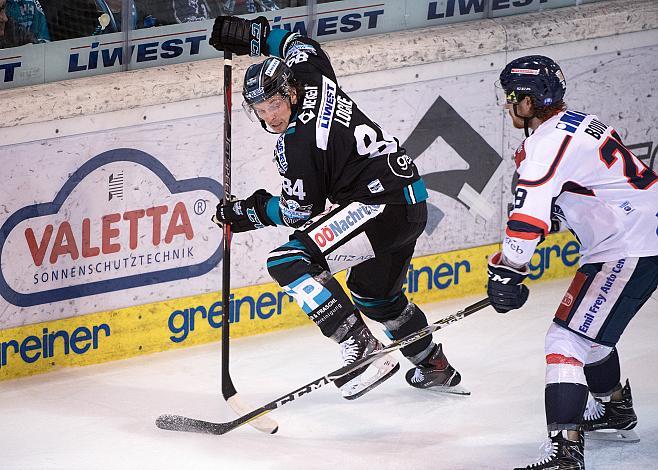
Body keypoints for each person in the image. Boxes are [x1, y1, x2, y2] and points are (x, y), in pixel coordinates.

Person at [208, 15, 467, 400]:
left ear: (290, 92)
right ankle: (433, 365)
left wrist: (250, 211)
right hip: (410, 201)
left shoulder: (297, 145)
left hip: (380, 203)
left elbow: (299, 211)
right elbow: (296, 43)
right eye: (260, 110)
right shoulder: (312, 77)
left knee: (287, 261)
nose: (271, 117)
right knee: (374, 295)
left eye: (275, 104)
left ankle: (362, 347)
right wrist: (252, 35)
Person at [487, 55, 658, 469]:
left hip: (629, 245)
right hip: (637, 237)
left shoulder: (545, 145)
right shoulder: (579, 122)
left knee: (566, 342)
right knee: (591, 335)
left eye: (512, 97)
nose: (508, 105)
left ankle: (566, 452)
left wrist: (509, 269)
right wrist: (515, 258)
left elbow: (528, 215)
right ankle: (615, 408)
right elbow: (566, 202)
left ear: (529, 102)